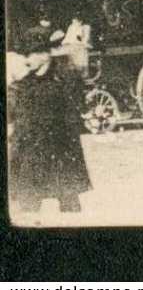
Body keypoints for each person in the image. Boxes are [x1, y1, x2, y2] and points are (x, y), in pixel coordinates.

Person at [8, 28, 91, 214]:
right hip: (30, 149)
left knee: (68, 198)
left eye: (35, 53)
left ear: (46, 54)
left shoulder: (62, 78)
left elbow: (74, 109)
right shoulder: (23, 83)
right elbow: (16, 114)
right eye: (27, 54)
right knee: (28, 202)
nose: (29, 59)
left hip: (58, 147)